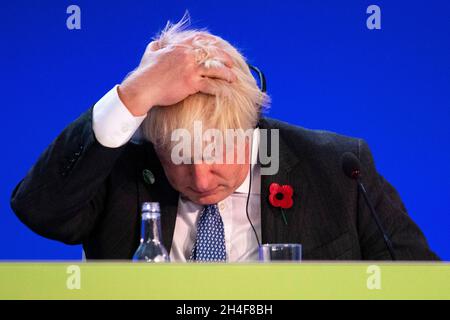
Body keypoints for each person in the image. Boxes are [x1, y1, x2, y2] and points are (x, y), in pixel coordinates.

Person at [10, 15, 438, 261]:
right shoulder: (114, 172)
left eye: (216, 150)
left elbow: (421, 283)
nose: (199, 179)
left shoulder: (339, 168)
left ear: (251, 129)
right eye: (178, 155)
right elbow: (38, 210)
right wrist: (134, 94)